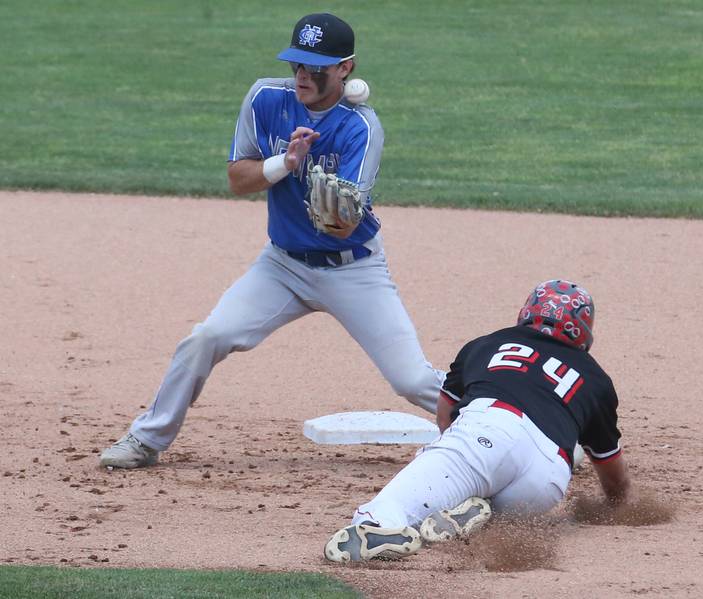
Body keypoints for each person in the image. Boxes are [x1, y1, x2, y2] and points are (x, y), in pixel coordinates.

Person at [100, 13, 444, 469]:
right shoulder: (266, 98)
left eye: (316, 68)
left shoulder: (361, 126)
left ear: (345, 68)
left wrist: (334, 211)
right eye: (297, 64)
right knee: (208, 336)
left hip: (353, 269)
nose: (302, 75)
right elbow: (237, 178)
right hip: (282, 266)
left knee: (412, 379)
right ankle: (147, 439)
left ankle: (509, 423)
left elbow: (344, 226)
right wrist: (286, 161)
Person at [324, 279, 632, 563]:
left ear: (526, 313)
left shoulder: (487, 344)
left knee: (384, 513)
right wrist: (615, 506)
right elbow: (613, 476)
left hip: (489, 431)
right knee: (495, 518)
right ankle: (481, 513)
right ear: (583, 331)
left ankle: (382, 523)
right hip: (547, 476)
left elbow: (445, 413)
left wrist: (458, 459)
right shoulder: (596, 380)